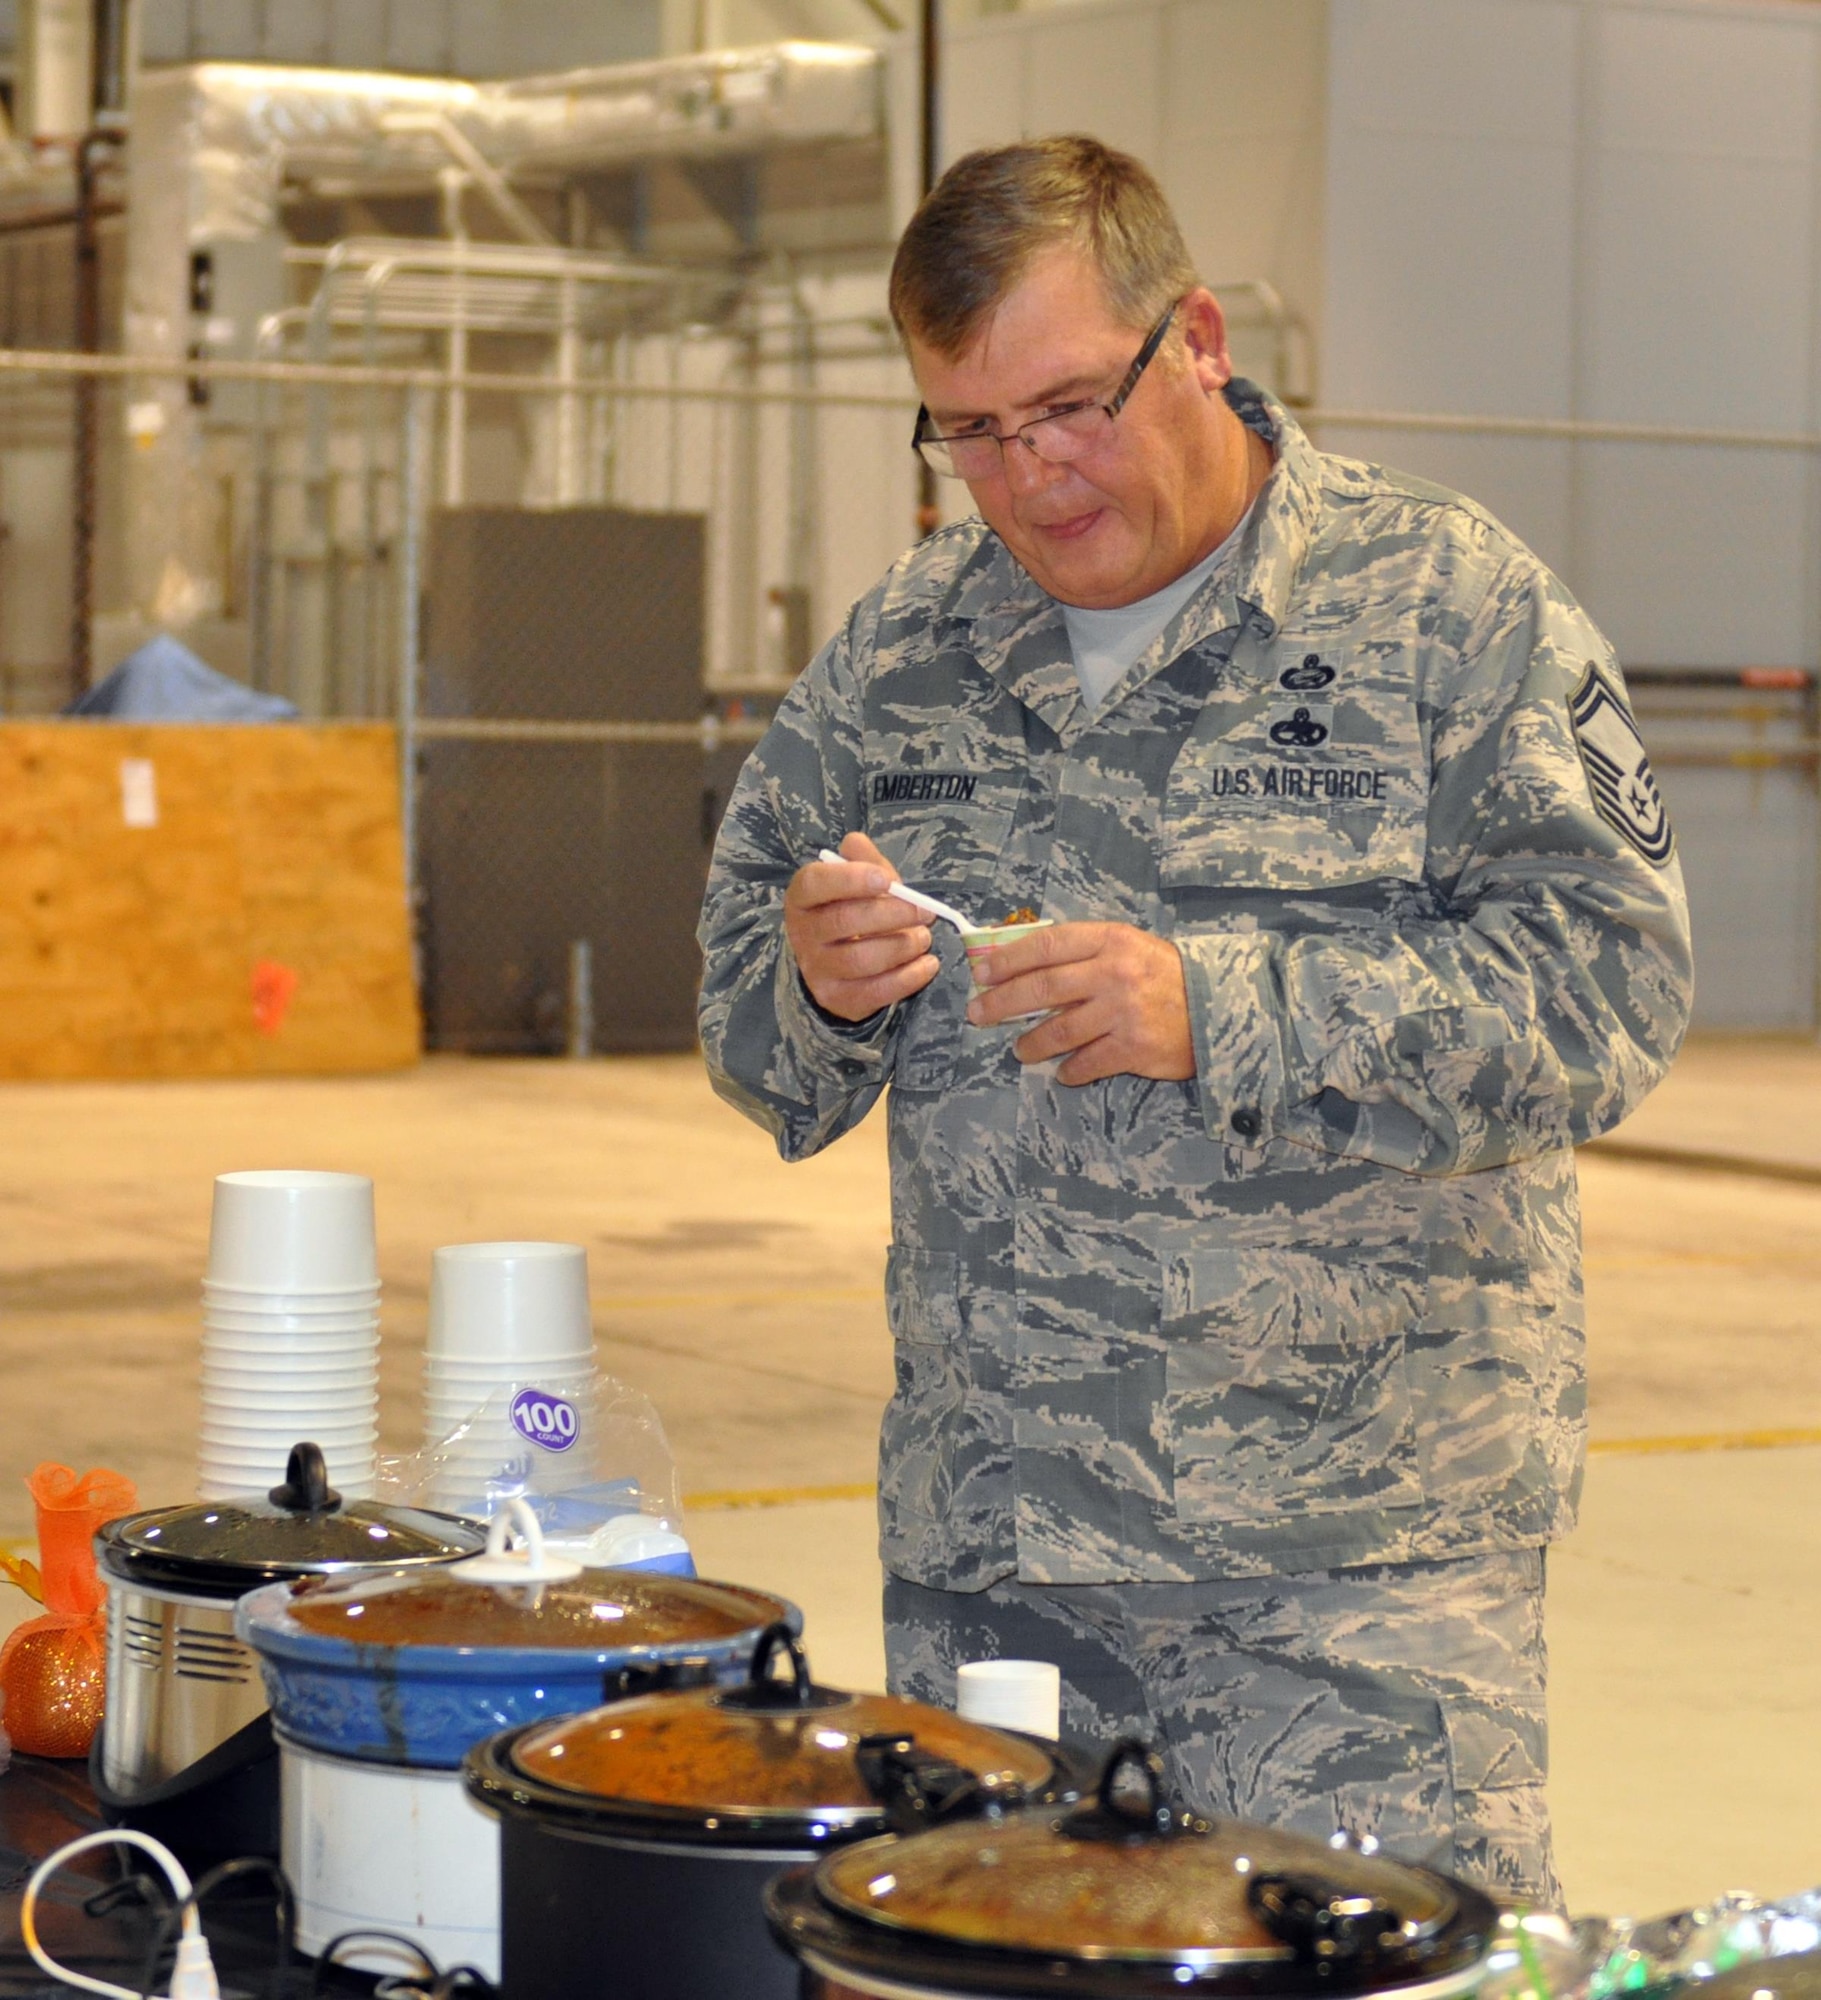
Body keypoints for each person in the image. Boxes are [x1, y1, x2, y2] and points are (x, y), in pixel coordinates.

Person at [697, 136, 1692, 1904]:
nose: (1030, 475)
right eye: (971, 431)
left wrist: (1221, 1009)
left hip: (1353, 1585)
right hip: (996, 1568)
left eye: (1070, 403)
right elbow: (745, 1014)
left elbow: (1605, 987)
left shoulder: (1448, 612)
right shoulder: (902, 651)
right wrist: (816, 981)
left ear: (1201, 339)